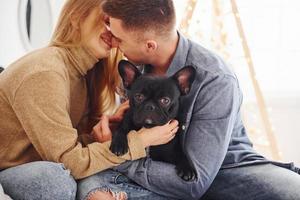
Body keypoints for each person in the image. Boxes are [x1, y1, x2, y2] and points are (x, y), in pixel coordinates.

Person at [78, 0, 300, 199]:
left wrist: (115, 157)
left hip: (227, 168)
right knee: (92, 189)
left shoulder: (215, 79)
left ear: (149, 45)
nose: (114, 43)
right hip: (155, 162)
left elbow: (193, 184)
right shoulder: (133, 66)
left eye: (119, 39)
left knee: (293, 191)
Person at [0, 0, 179, 199]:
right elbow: (69, 163)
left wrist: (95, 137)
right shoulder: (45, 72)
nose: (113, 32)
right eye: (106, 21)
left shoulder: (83, 77)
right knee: (53, 180)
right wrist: (139, 141)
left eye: (119, 25)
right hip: (11, 170)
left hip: (41, 163)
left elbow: (60, 149)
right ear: (76, 17)